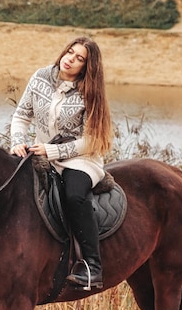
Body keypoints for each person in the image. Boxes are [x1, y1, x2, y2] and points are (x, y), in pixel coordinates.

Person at [10, 36, 113, 289]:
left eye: (80, 58)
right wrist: (17, 141)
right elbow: (21, 117)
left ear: (87, 67)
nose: (70, 59)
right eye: (70, 52)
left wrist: (53, 151)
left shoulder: (90, 92)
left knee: (74, 195)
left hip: (80, 159)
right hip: (41, 152)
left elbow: (91, 140)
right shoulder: (41, 77)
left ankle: (92, 266)